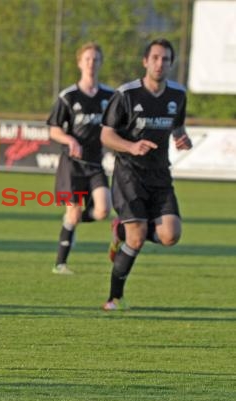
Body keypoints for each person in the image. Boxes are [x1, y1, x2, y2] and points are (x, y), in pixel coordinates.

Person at [100, 38, 192, 310]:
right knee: (137, 237)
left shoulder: (178, 95)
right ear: (145, 61)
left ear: (171, 64)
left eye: (165, 59)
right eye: (155, 58)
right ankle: (113, 298)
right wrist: (131, 146)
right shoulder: (126, 94)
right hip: (129, 175)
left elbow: (177, 126)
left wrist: (181, 138)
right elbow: (106, 134)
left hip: (161, 176)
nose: (159, 63)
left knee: (170, 236)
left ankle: (121, 229)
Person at [47, 42, 113, 275]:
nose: (91, 63)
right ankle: (60, 264)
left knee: (104, 209)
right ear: (79, 63)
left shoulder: (110, 96)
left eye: (96, 59)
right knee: (74, 210)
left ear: (101, 63)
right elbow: (53, 129)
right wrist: (70, 140)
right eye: (87, 59)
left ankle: (70, 223)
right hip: (72, 165)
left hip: (95, 164)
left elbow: (118, 127)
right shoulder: (69, 96)